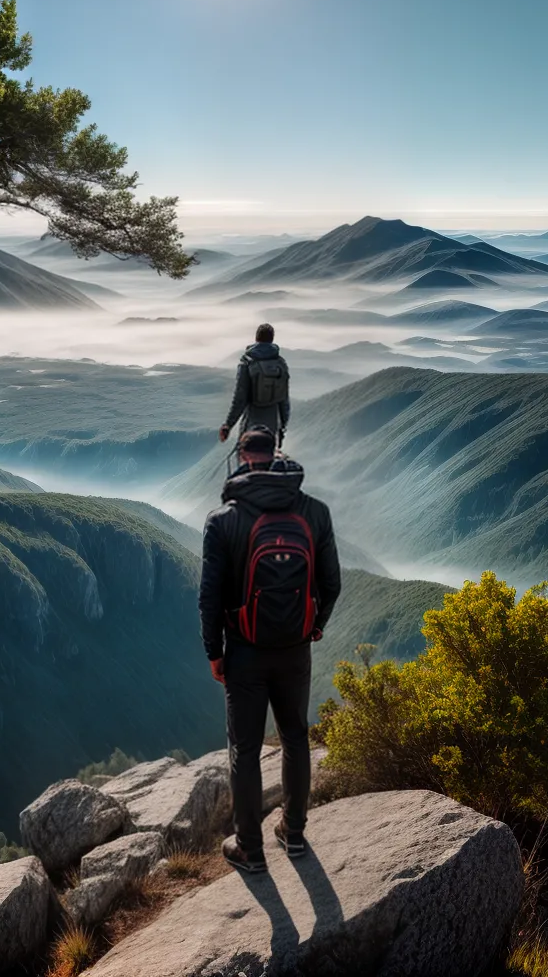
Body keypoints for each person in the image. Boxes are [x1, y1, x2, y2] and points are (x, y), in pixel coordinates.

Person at [199, 428, 341, 871]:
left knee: (245, 749)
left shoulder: (224, 520)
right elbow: (332, 583)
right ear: (277, 458)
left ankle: (249, 848)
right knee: (296, 738)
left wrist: (214, 652)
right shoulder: (315, 512)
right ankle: (294, 833)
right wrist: (314, 626)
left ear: (243, 457)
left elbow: (210, 596)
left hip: (244, 649)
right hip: (295, 648)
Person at [218, 323, 290, 450]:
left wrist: (228, 425)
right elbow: (284, 400)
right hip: (272, 425)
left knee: (246, 459)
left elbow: (240, 398)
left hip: (251, 422)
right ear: (272, 339)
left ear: (256, 338)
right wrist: (282, 426)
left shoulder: (247, 362)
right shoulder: (280, 363)